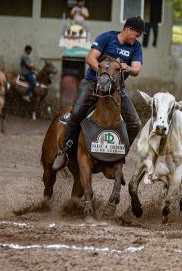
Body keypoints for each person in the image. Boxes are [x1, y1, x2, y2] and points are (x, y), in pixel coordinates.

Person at [52, 16, 146, 171]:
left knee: (135, 123)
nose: (138, 38)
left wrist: (126, 68)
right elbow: (91, 58)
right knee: (76, 113)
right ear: (128, 29)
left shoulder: (136, 47)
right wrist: (105, 75)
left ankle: (120, 153)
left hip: (116, 90)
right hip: (92, 84)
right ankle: (63, 150)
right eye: (137, 34)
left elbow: (136, 69)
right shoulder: (106, 37)